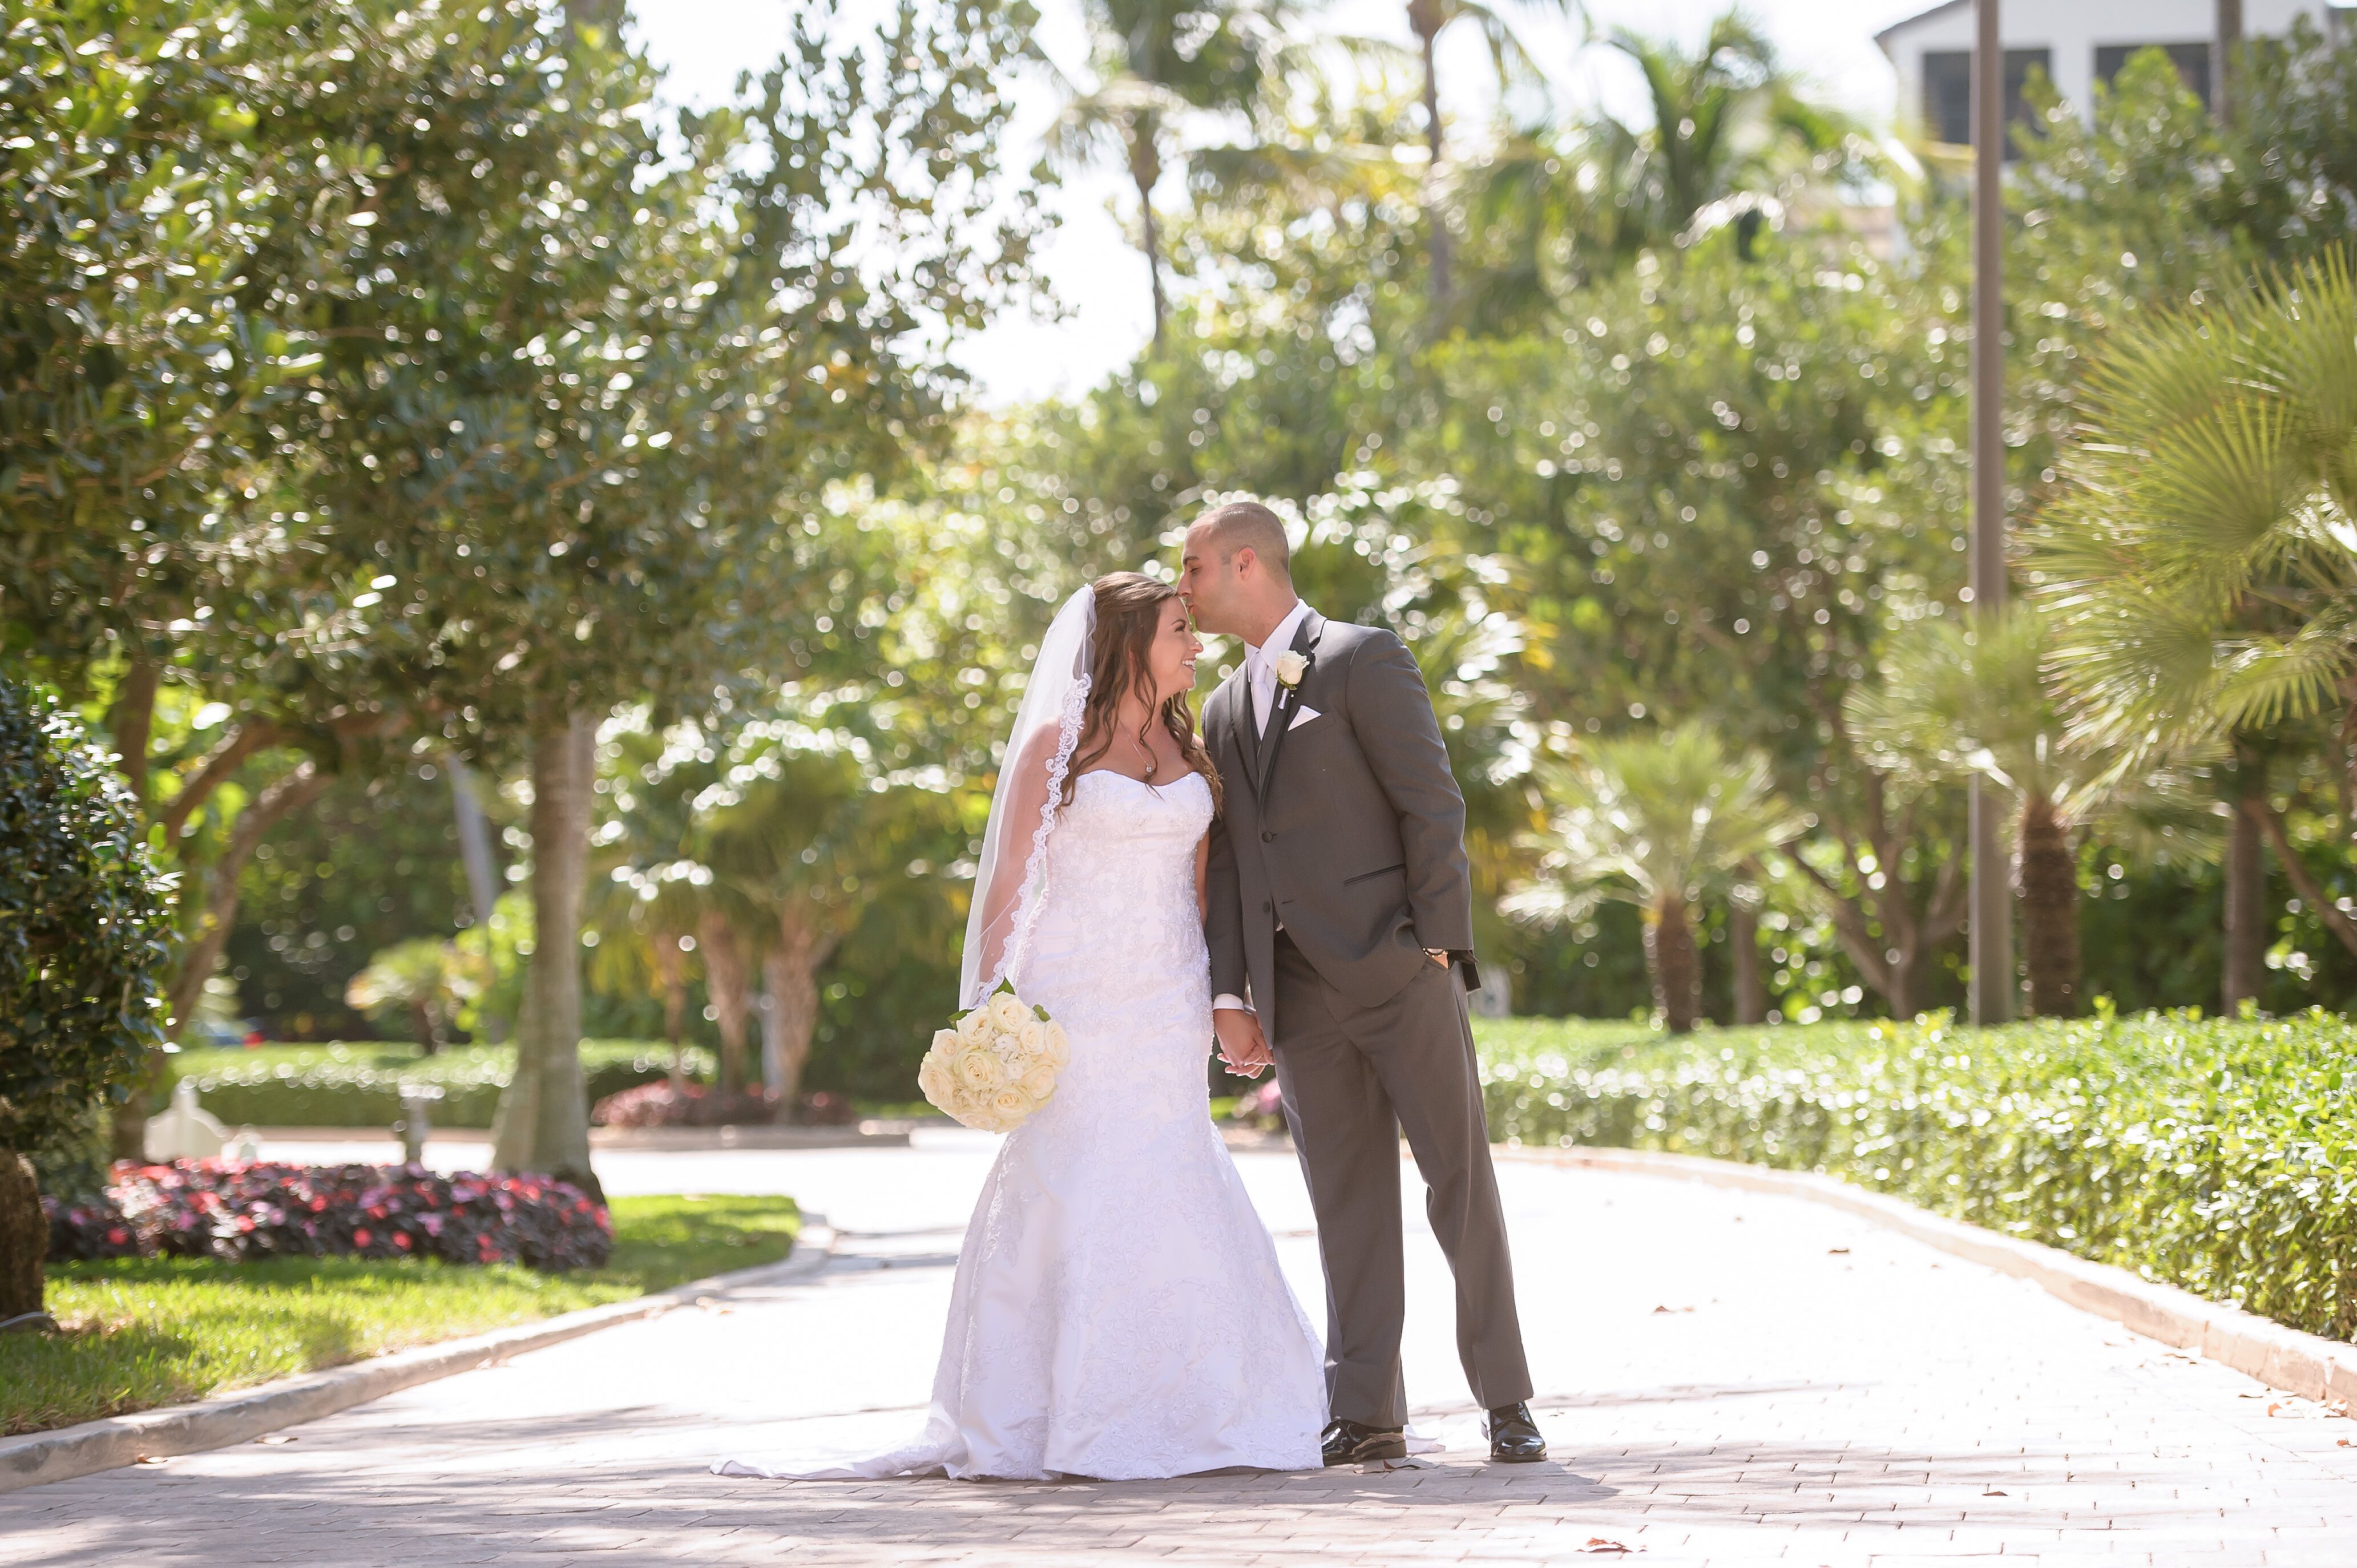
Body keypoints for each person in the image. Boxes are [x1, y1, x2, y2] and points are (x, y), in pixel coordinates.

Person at [716, 572, 1325, 1482]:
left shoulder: (1185, 742)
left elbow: (1205, 889)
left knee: (1172, 1170)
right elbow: (1010, 881)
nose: (1193, 646)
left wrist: (1222, 997)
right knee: (1074, 1177)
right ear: (1125, 643)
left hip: (1164, 994)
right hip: (1072, 994)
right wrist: (993, 1006)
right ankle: (1058, 1410)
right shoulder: (1058, 746)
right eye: (1175, 631)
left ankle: (1199, 1403)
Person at [1179, 499, 1547, 1466]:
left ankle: (1504, 1400)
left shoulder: (1361, 657)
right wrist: (1235, 992)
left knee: (1458, 1186)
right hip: (1296, 999)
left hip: (1396, 971)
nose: (1184, 586)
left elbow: (1431, 802)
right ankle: (1367, 1413)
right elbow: (1226, 865)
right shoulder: (1217, 709)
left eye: (1193, 567)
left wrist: (1434, 946)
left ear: (1245, 562)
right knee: (1345, 1203)